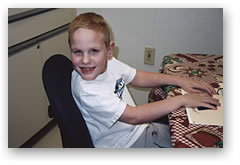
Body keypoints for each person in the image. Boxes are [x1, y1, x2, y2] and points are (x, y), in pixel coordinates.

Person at [69, 12, 220, 148]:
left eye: (94, 51)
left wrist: (178, 80)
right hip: (126, 144)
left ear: (109, 51)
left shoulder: (109, 63)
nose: (85, 60)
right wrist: (183, 100)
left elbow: (138, 77)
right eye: (77, 52)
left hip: (140, 129)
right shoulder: (88, 90)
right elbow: (134, 116)